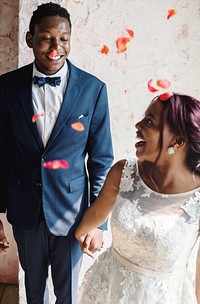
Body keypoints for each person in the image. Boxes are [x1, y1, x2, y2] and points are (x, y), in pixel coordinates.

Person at [0, 2, 113, 303]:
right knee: (33, 292)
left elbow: (102, 161)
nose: (56, 47)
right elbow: (2, 155)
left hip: (74, 213)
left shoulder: (93, 89)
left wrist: (99, 223)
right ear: (29, 39)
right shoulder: (6, 88)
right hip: (25, 210)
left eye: (63, 39)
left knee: (69, 294)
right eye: (46, 38)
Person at [75, 93, 200, 303]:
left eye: (149, 121)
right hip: (108, 291)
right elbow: (97, 212)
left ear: (178, 140)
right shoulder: (123, 172)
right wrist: (81, 232)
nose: (138, 125)